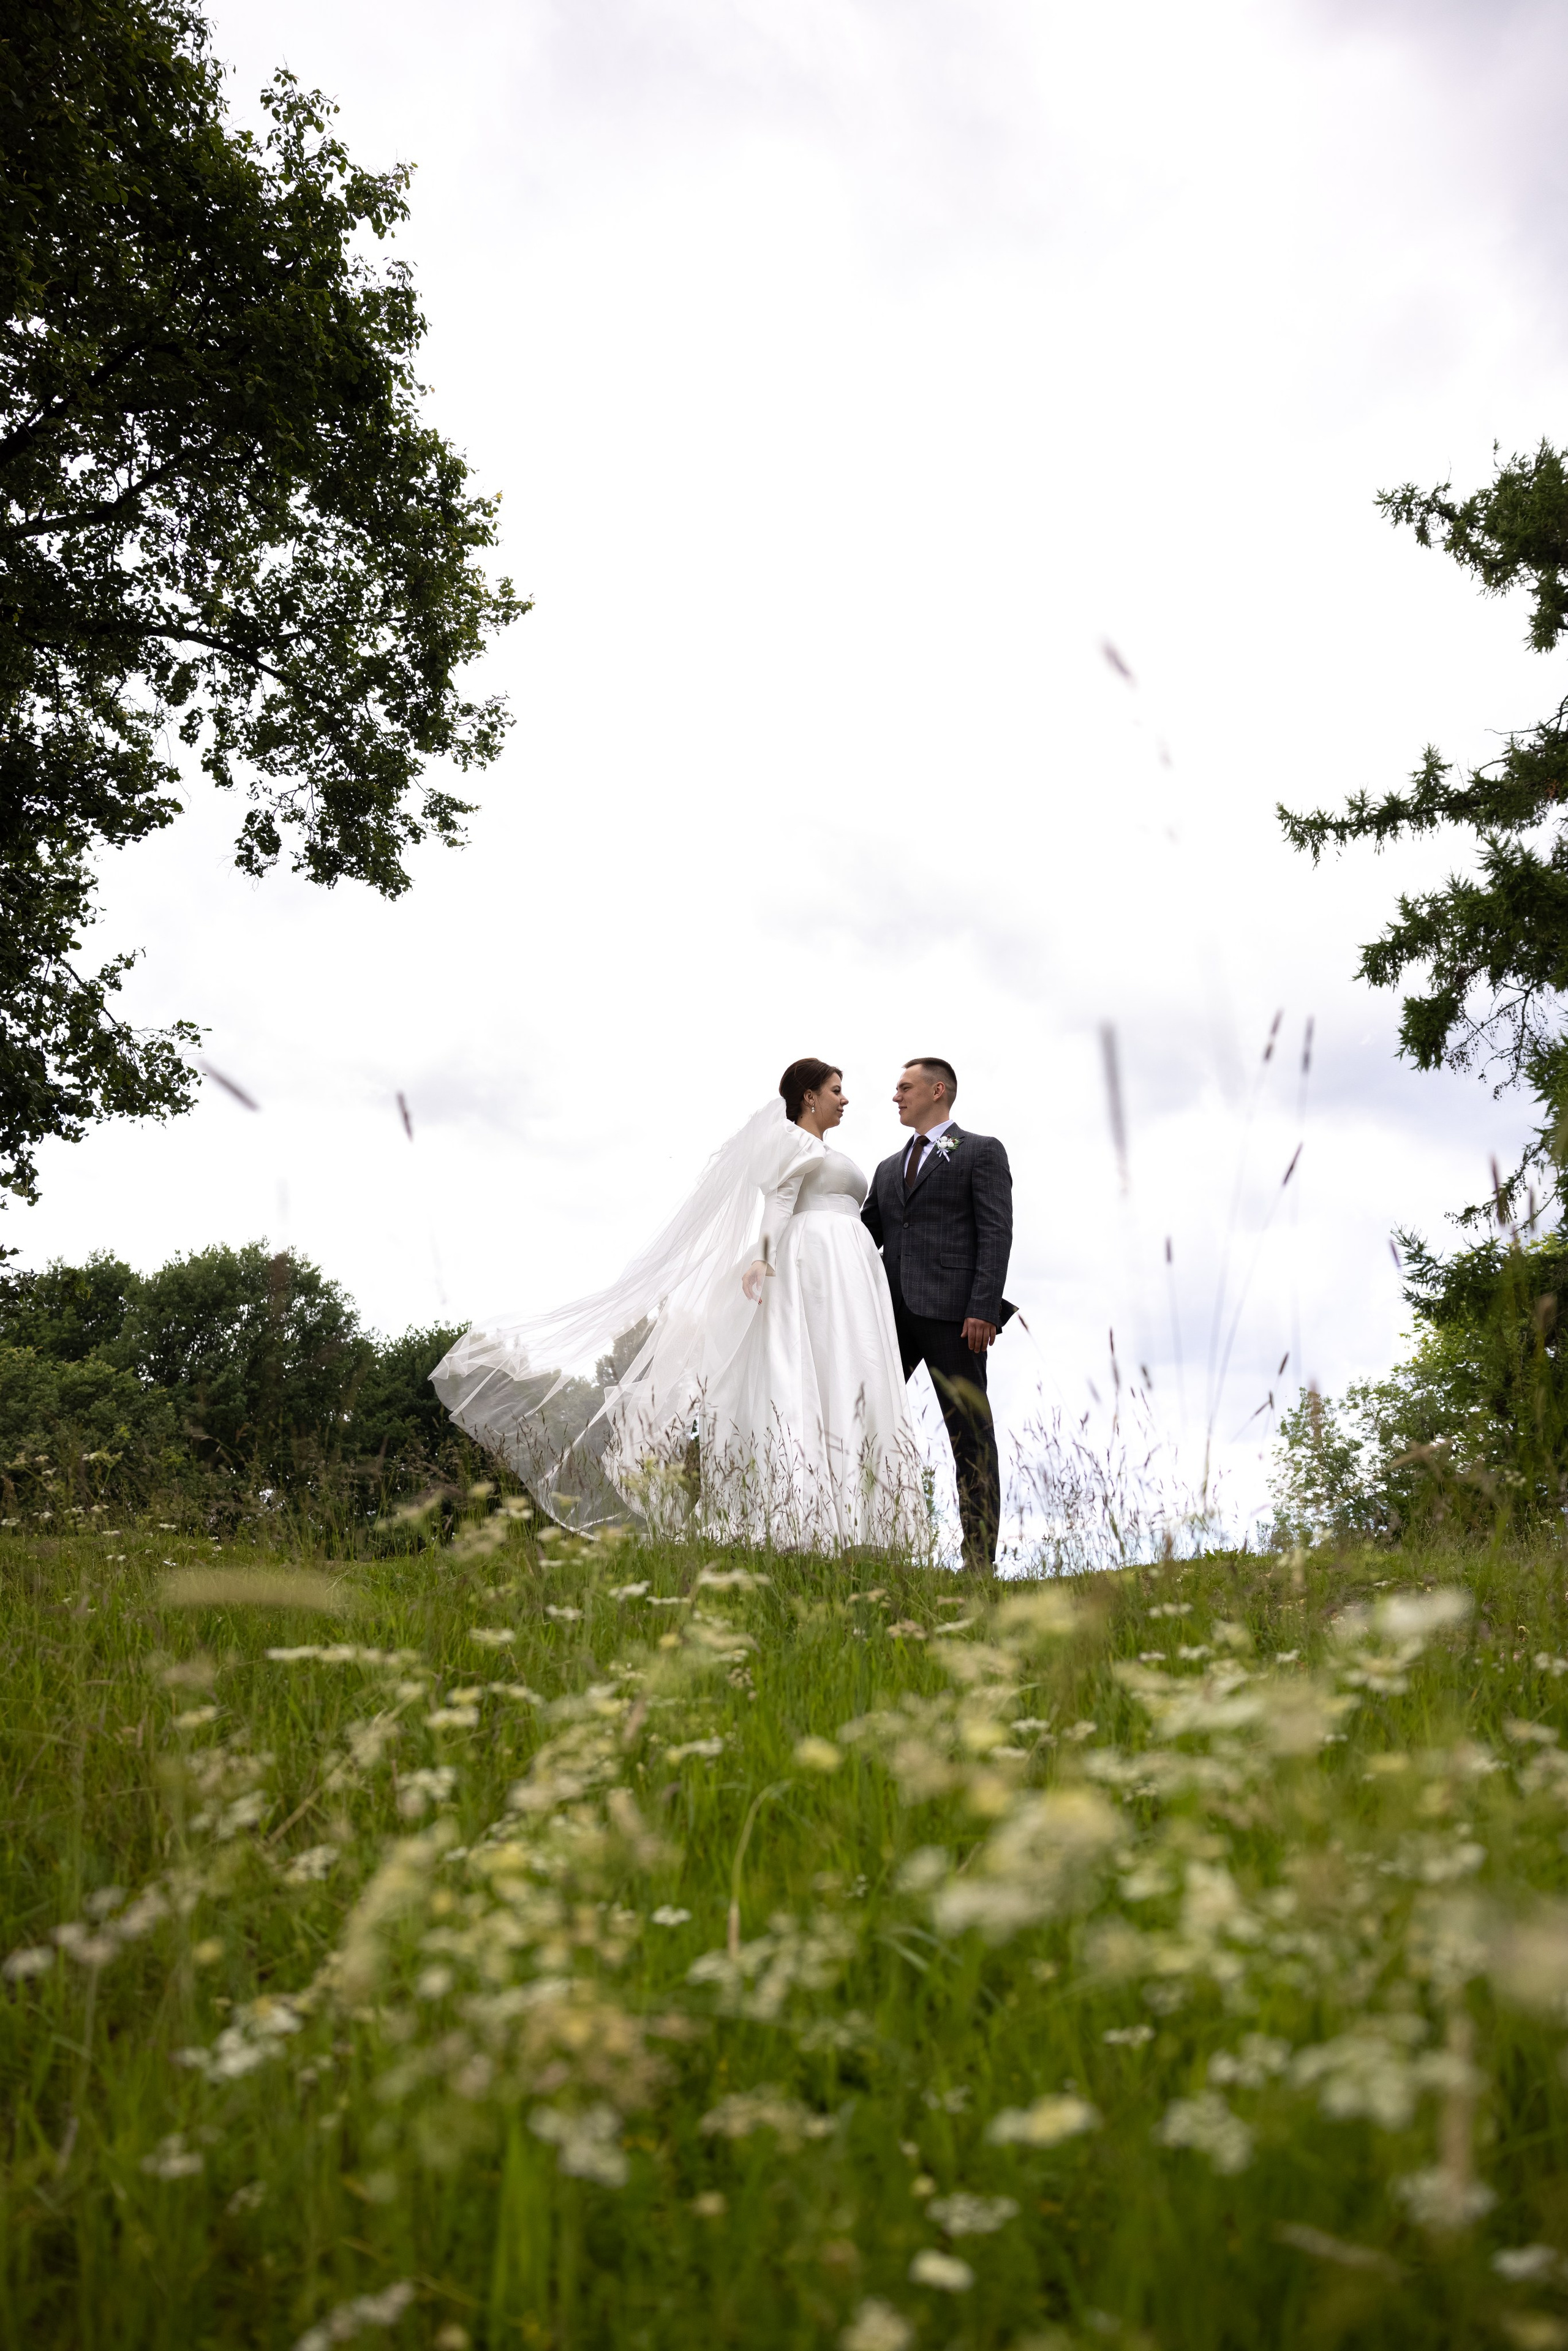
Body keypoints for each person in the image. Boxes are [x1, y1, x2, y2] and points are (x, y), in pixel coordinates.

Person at [429, 1060, 926, 1551]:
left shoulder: (823, 1149)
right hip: (812, 1266)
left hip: (846, 1273)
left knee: (847, 1375)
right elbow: (780, 1202)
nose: (845, 1099)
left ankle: (860, 1522)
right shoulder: (791, 1140)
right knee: (810, 1374)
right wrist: (763, 1258)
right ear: (809, 1097)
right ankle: (803, 1514)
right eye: (836, 1089)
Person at [861, 1057, 1014, 1572]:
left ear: (938, 1091)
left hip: (956, 1317)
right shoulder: (886, 1169)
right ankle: (856, 1536)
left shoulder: (979, 1152)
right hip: (889, 1318)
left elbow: (995, 1232)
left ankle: (978, 1563)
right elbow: (862, 1242)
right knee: (859, 1417)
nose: (896, 1096)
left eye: (905, 1087)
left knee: (970, 1436)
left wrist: (983, 1307)